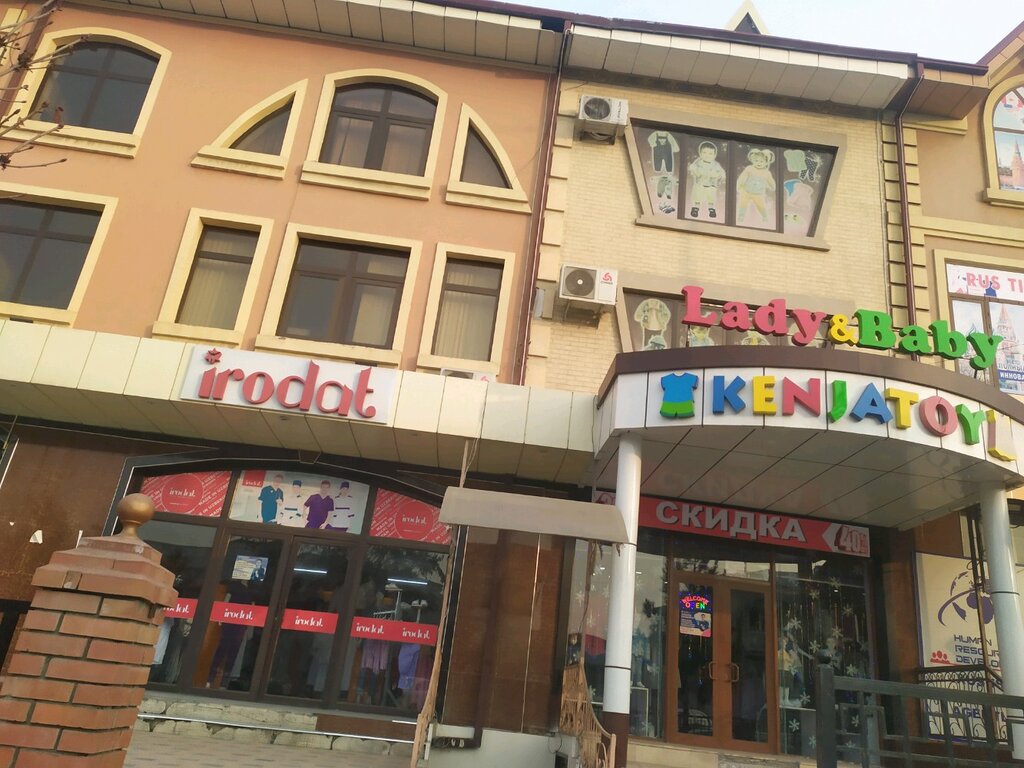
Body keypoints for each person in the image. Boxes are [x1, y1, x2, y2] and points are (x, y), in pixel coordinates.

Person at [736, 148, 776, 225]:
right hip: (746, 191)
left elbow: (770, 180)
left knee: (761, 205)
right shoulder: (750, 169)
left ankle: (765, 216)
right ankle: (741, 216)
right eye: (756, 161)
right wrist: (739, 185)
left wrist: (773, 186)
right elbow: (742, 177)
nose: (758, 163)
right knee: (743, 203)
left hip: (758, 194)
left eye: (761, 161)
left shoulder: (766, 172)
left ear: (766, 162)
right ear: (753, 160)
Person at [687, 141, 726, 219]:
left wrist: (718, 175)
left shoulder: (716, 164)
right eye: (704, 152)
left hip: (711, 185)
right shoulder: (698, 162)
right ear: (700, 153)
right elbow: (692, 168)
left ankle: (711, 209)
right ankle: (695, 208)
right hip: (700, 184)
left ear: (714, 155)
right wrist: (695, 171)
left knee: (711, 197)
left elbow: (721, 172)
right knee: (697, 196)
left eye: (710, 153)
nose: (707, 155)